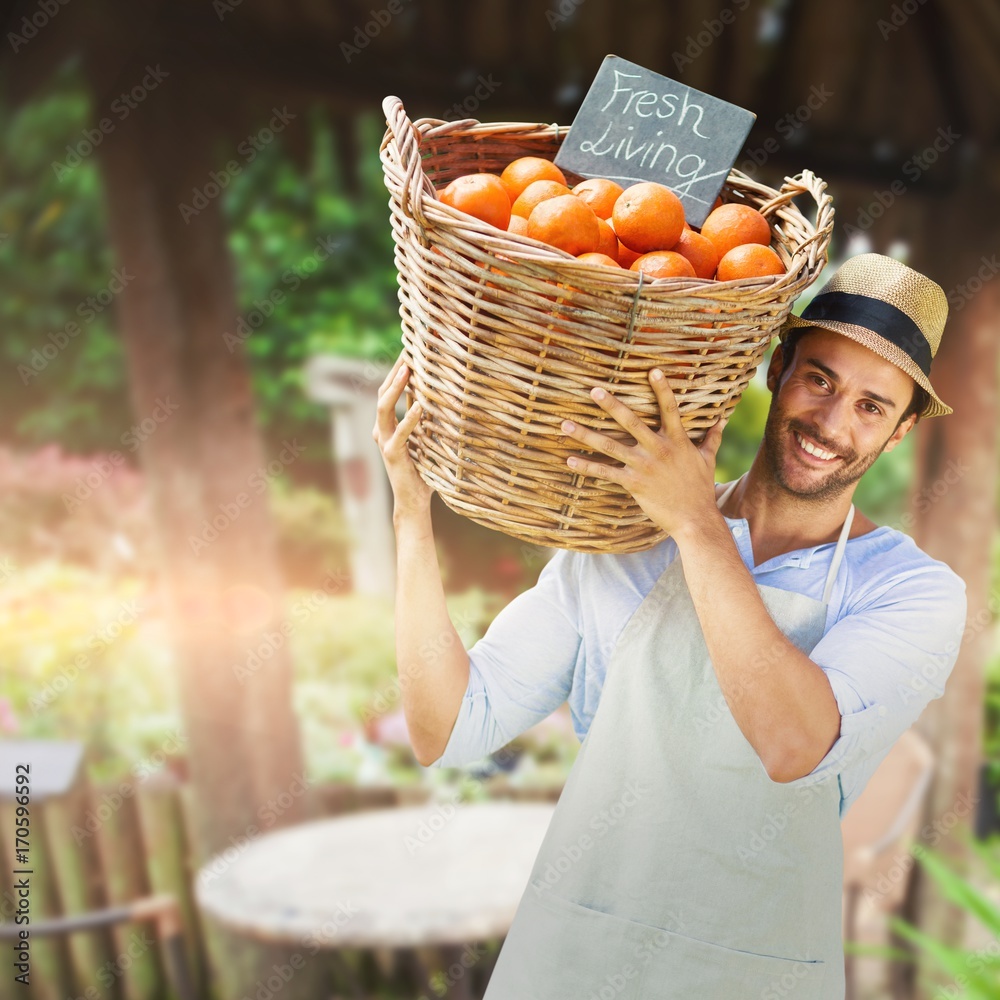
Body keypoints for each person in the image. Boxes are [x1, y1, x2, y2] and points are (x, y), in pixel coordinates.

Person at [372, 252, 967, 999]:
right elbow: (447, 727)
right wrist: (409, 514)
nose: (832, 421)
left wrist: (694, 521)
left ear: (902, 430)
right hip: (575, 959)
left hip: (751, 972)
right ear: (778, 368)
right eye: (820, 379)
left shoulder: (912, 592)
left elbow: (793, 743)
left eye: (871, 406)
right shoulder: (625, 537)